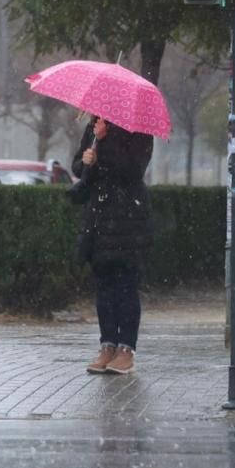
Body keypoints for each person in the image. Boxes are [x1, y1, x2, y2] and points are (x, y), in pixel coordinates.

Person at [72, 115, 154, 375]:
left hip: (127, 222)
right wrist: (86, 161)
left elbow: (133, 169)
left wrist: (107, 143)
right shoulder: (95, 125)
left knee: (126, 286)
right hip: (99, 220)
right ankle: (107, 344)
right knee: (104, 287)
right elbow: (79, 166)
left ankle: (126, 348)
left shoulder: (138, 127)